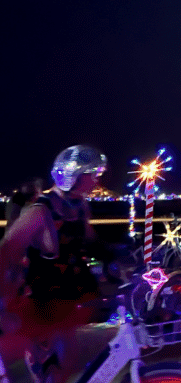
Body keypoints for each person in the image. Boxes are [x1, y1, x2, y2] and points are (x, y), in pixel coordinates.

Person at [0, 145, 107, 383]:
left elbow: (91, 241)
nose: (97, 179)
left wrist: (113, 258)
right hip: (39, 301)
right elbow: (8, 250)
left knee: (67, 362)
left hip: (65, 298)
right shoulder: (40, 211)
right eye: (93, 174)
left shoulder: (80, 207)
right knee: (52, 365)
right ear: (74, 176)